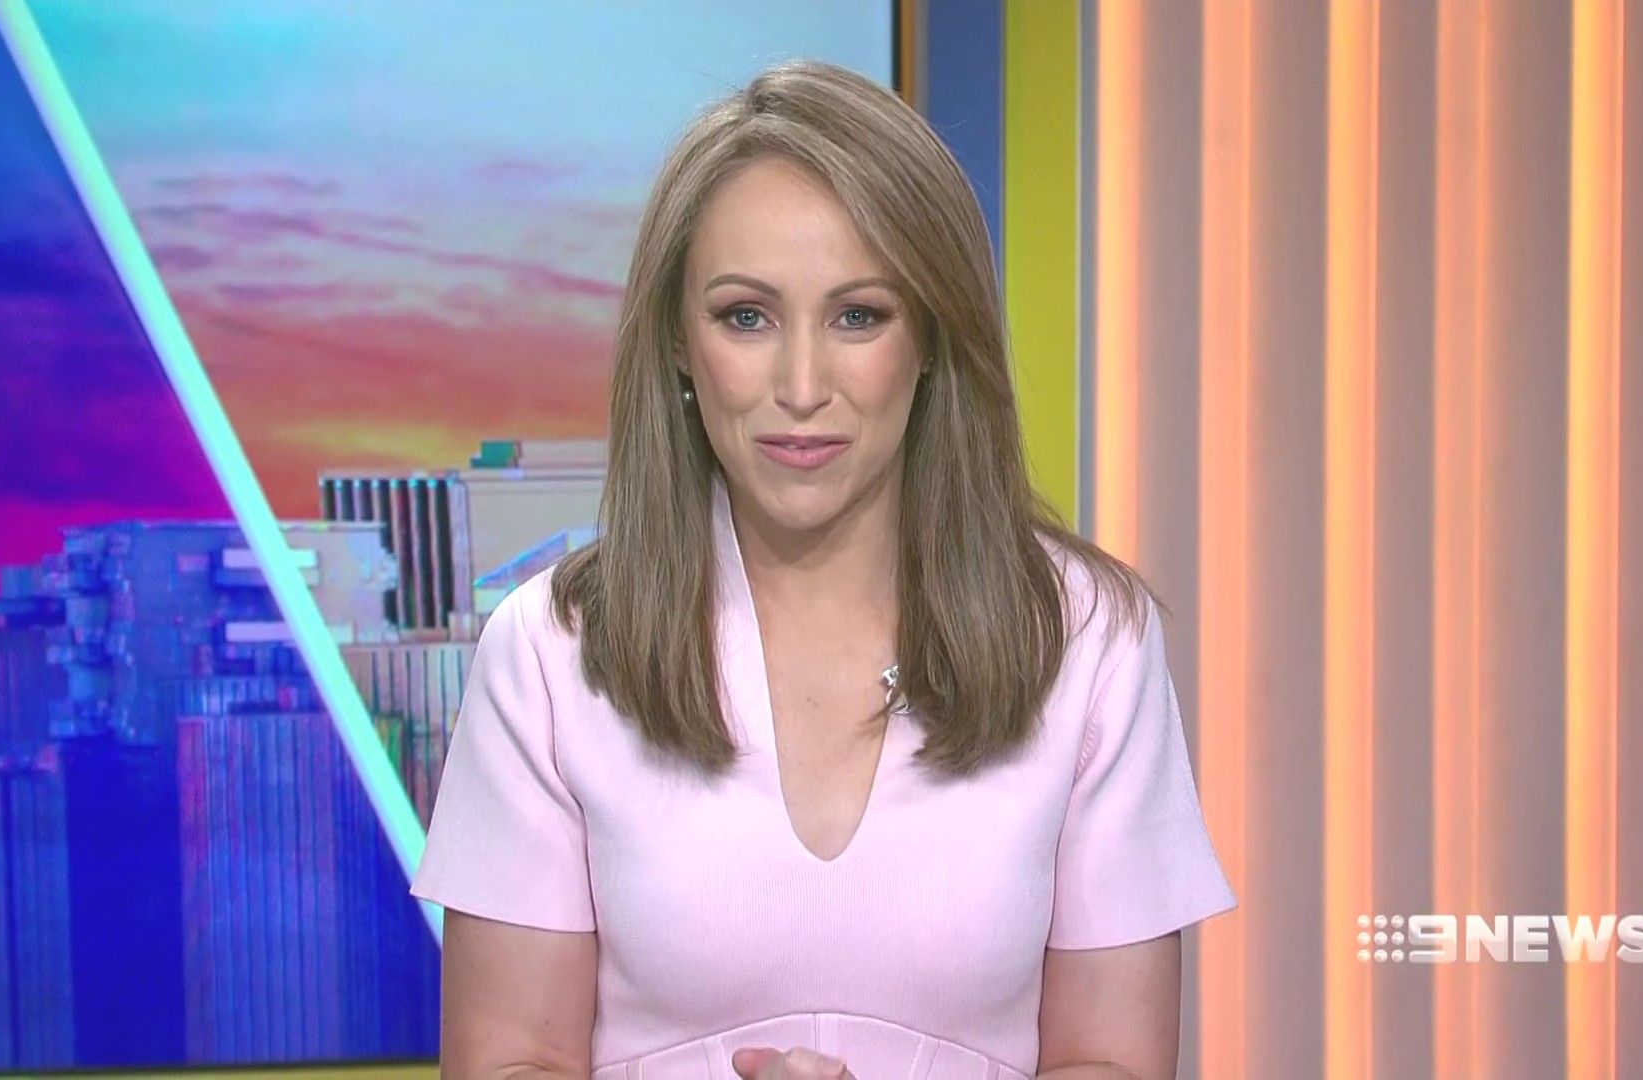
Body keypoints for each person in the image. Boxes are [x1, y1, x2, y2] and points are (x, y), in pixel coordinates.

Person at [411, 59, 1235, 1080]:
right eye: (746, 316)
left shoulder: (1087, 643)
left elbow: (1113, 1062)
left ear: (931, 336)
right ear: (678, 342)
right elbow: (511, 1060)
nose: (802, 386)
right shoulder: (549, 655)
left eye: (858, 316)